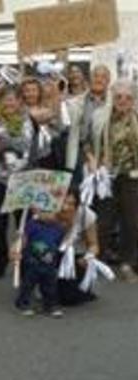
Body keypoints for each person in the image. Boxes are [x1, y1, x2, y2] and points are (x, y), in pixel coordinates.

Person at [0, 86, 50, 281]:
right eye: (4, 99)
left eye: (12, 99)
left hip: (24, 180)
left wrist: (54, 90)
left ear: (20, 101)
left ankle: (26, 262)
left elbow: (51, 113)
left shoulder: (32, 118)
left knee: (24, 225)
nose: (8, 103)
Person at [90, 80, 138, 282]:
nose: (123, 101)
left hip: (132, 176)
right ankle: (99, 259)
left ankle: (128, 263)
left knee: (132, 221)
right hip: (106, 175)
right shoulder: (100, 116)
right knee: (103, 221)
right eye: (118, 97)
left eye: (127, 97)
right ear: (113, 98)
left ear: (134, 100)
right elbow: (89, 143)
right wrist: (93, 163)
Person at [12, 211, 66, 317]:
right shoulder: (31, 225)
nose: (47, 215)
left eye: (51, 212)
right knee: (28, 285)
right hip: (32, 262)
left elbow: (60, 243)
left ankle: (50, 305)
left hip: (50, 263)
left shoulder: (58, 228)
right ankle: (23, 303)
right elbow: (24, 240)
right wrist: (19, 243)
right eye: (43, 211)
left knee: (50, 286)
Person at [56, 190, 102, 305]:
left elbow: (94, 245)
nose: (66, 208)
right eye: (63, 203)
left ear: (77, 205)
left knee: (71, 299)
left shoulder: (86, 215)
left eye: (71, 204)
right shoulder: (47, 212)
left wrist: (88, 256)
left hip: (76, 255)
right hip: (52, 252)